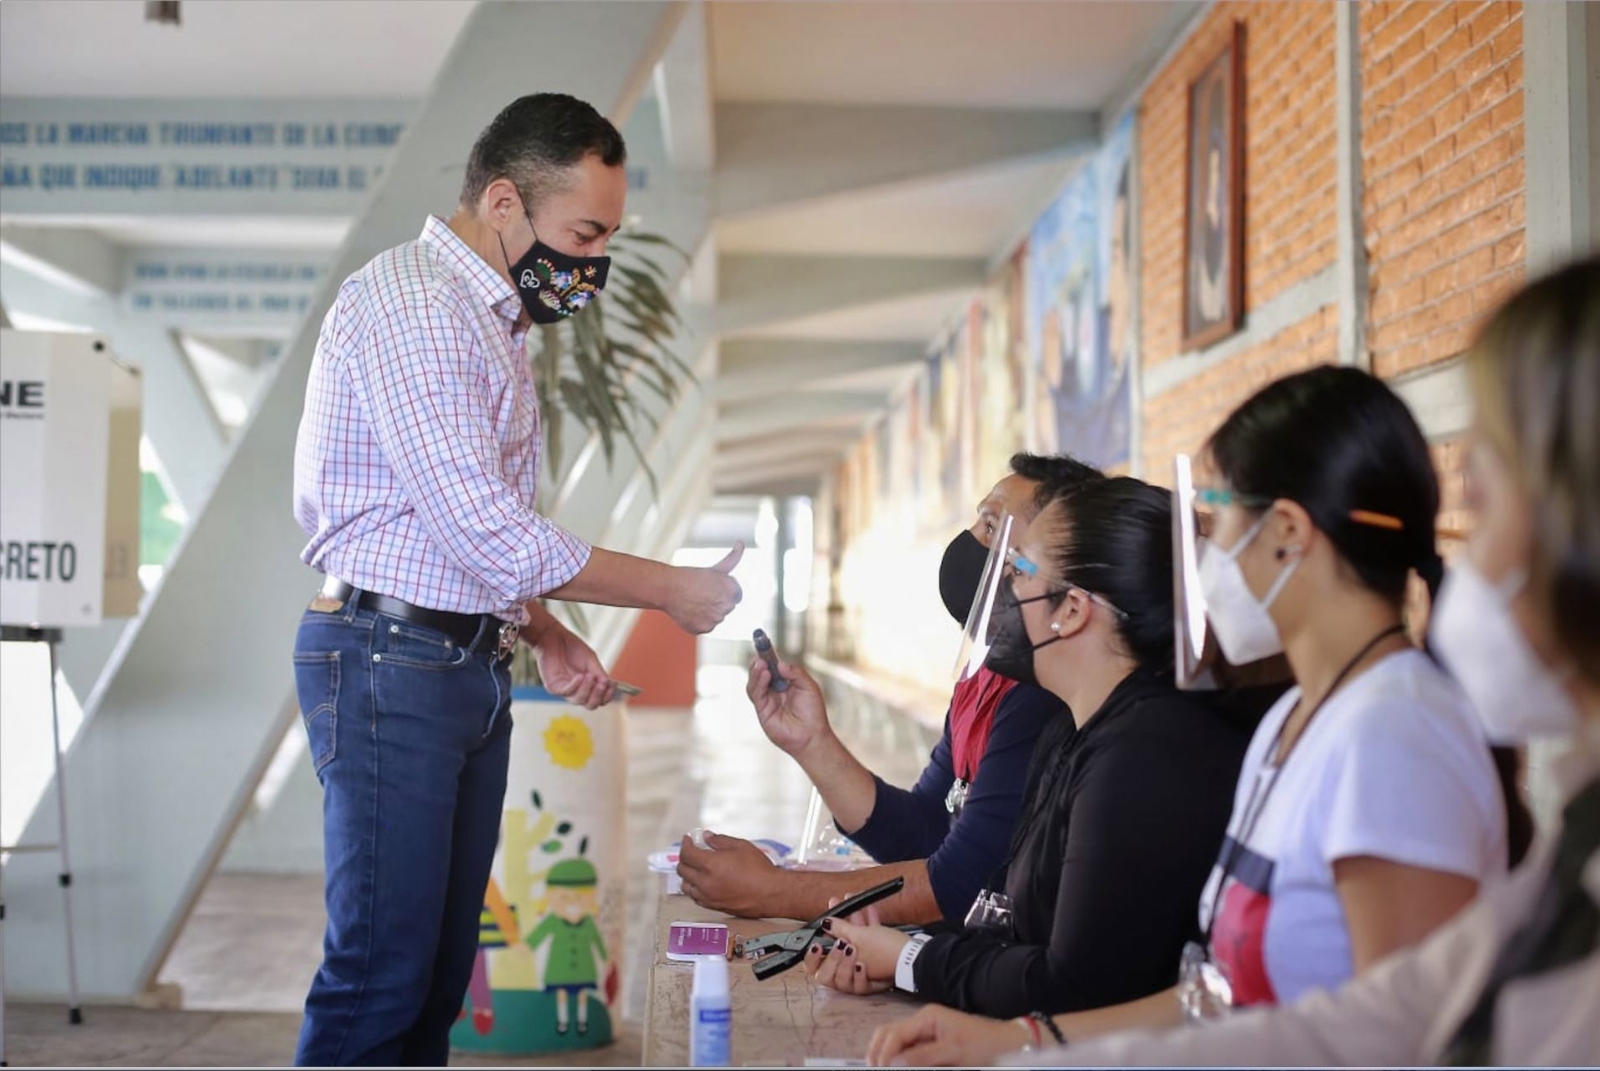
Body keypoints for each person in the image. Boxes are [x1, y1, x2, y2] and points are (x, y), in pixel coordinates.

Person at [870, 252, 1600, 1069]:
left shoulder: (1393, 737)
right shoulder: (1293, 719)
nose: (1195, 566)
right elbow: (1233, 1000)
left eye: (1212, 527)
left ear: (1288, 532)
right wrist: (1025, 1044)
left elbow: (1397, 1040)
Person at [290, 94, 742, 1066]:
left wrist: (540, 629)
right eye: (583, 233)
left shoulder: (492, 318)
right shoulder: (417, 303)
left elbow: (466, 531)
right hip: (390, 660)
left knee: (441, 970)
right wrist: (669, 588)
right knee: (381, 971)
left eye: (607, 237)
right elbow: (481, 527)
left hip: (456, 659)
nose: (592, 264)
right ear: (504, 202)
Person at [807, 476, 1250, 1019]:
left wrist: (910, 959)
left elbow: (1075, 987)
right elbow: (1011, 922)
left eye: (1017, 571)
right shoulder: (1071, 727)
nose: (1001, 592)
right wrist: (900, 955)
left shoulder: (1145, 753)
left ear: (1072, 609)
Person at [676, 454, 1095, 926]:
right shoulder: (986, 676)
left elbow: (960, 884)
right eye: (978, 520)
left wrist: (773, 892)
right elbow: (924, 832)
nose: (971, 542)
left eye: (992, 526)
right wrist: (813, 743)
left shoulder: (1045, 695)